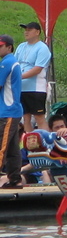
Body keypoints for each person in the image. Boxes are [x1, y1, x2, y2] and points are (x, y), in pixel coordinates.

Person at [15, 22, 51, 131]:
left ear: (37, 32)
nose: (26, 32)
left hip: (36, 89)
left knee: (39, 117)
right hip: (22, 88)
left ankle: (46, 143)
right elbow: (15, 63)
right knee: (26, 118)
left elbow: (37, 69)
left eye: (29, 30)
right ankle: (30, 143)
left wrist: (19, 76)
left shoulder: (42, 48)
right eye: (25, 30)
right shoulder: (21, 46)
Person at [0, 35, 24, 189]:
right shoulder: (11, 61)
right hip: (13, 112)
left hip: (8, 112)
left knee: (1, 146)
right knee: (13, 149)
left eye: (1, 46)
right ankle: (15, 179)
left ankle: (14, 177)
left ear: (9, 47)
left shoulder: (7, 62)